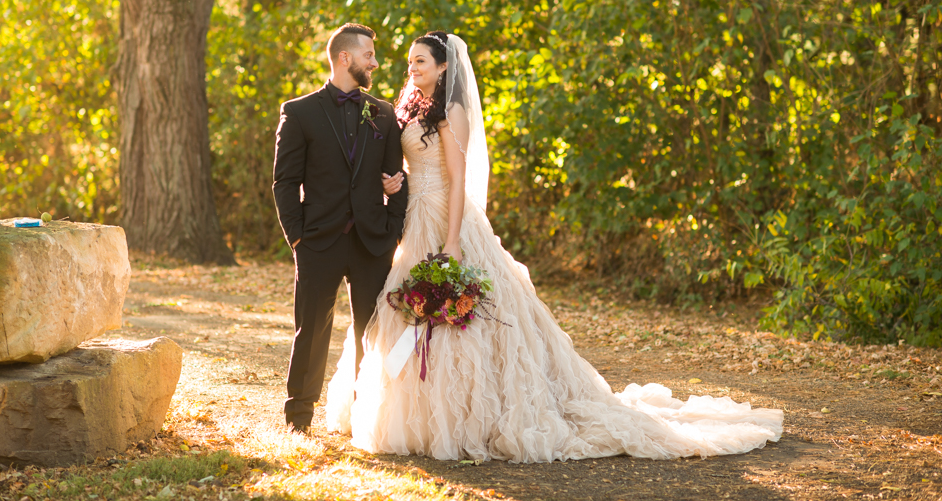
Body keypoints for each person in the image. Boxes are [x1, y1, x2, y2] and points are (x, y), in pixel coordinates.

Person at [324, 31, 783, 462]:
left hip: (447, 222)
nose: (411, 68)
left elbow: (459, 180)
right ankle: (407, 409)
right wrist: (396, 182)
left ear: (445, 68)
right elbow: (414, 167)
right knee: (404, 311)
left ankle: (463, 418)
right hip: (415, 218)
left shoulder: (452, 112)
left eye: (420, 61)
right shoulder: (416, 109)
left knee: (462, 320)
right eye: (409, 62)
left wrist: (452, 243)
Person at [272, 23, 408, 434]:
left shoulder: (384, 113)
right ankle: (299, 416)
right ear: (345, 58)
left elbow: (397, 177)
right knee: (311, 328)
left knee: (373, 331)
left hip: (371, 240)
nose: (376, 62)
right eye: (369, 55)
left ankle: (364, 414)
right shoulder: (299, 111)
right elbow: (283, 181)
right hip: (318, 239)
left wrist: (393, 227)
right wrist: (297, 236)